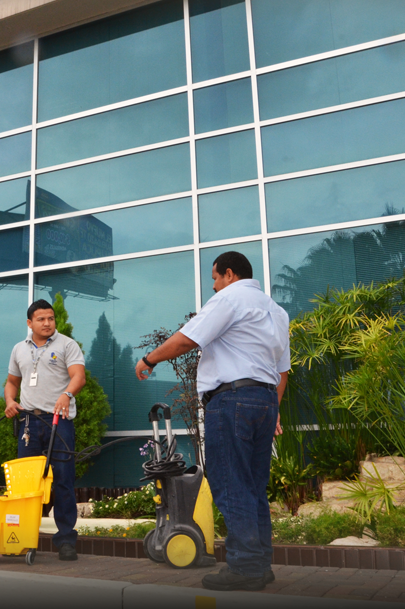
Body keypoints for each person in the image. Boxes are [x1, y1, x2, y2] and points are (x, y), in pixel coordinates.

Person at [134, 251, 289, 591]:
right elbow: (282, 372)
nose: (215, 286)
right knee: (253, 487)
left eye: (215, 278)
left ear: (229, 274)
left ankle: (245, 567)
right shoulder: (276, 311)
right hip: (265, 400)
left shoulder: (229, 299)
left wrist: (149, 359)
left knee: (231, 483)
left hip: (232, 400)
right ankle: (260, 565)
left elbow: (187, 339)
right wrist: (273, 409)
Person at [4, 299, 86, 561]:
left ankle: (66, 541)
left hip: (59, 421)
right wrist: (10, 401)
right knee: (25, 483)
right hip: (29, 422)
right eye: (41, 319)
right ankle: (22, 539)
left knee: (63, 480)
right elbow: (11, 382)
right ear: (30, 323)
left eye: (51, 318)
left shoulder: (67, 345)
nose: (47, 323)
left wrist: (67, 394)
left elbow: (78, 376)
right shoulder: (19, 348)